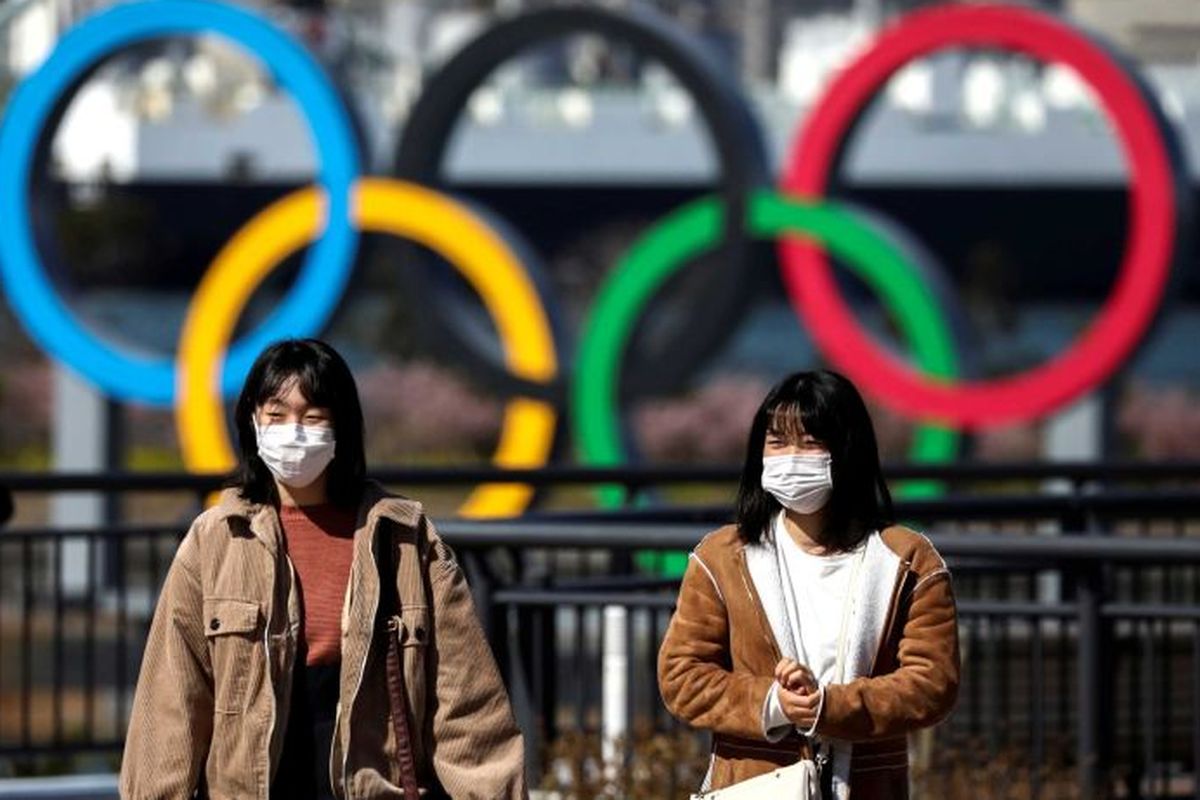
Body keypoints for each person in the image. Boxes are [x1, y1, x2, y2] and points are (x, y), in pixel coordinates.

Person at [121, 339, 526, 799]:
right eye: (276, 415)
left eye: (312, 417)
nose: (293, 432)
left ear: (342, 426)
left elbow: (468, 709)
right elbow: (171, 704)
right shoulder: (215, 540)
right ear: (252, 421)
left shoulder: (406, 542)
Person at [658, 370, 959, 799]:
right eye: (777, 442)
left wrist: (829, 707)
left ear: (847, 449)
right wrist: (774, 703)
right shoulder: (721, 558)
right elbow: (681, 677)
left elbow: (933, 683)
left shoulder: (909, 560)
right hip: (754, 784)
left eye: (811, 441)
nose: (791, 457)